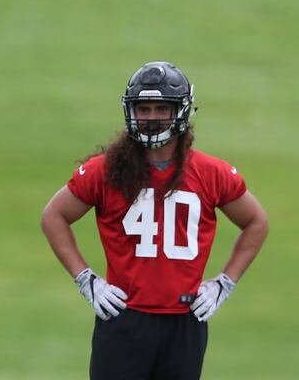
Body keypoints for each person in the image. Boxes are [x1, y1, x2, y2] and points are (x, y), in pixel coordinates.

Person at [40, 61, 269, 380]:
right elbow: (54, 216)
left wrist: (224, 283)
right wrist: (85, 279)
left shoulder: (211, 172)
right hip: (124, 317)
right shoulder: (105, 169)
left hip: (185, 320)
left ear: (181, 112)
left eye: (161, 108)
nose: (150, 117)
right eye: (143, 108)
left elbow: (256, 222)